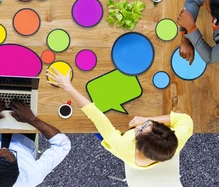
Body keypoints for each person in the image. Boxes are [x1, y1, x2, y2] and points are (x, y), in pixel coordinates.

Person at [47, 67, 193, 169]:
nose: (138, 126)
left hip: (115, 142)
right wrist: (145, 119)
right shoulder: (178, 136)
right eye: (150, 124)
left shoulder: (122, 145)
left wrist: (67, 86)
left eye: (139, 130)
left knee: (92, 127)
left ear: (137, 144)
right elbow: (185, 119)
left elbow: (95, 115)